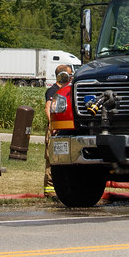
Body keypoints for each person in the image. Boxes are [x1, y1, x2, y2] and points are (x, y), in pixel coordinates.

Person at [43, 64, 73, 197]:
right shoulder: (53, 90)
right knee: (51, 159)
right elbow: (48, 108)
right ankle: (50, 191)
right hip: (54, 128)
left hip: (64, 128)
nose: (71, 76)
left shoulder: (66, 90)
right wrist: (53, 125)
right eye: (69, 74)